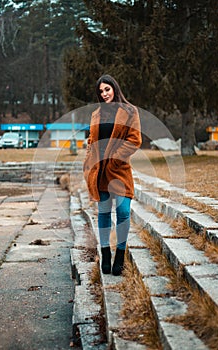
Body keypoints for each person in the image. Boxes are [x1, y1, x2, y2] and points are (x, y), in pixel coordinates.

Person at [83, 74, 142, 276]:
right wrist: (90, 151)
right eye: (100, 91)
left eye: (107, 89)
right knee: (104, 213)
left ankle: (120, 255)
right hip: (100, 172)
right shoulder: (96, 114)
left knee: (124, 212)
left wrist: (116, 158)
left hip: (119, 170)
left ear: (115, 88)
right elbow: (92, 138)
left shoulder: (129, 111)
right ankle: (106, 253)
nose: (104, 94)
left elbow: (135, 140)